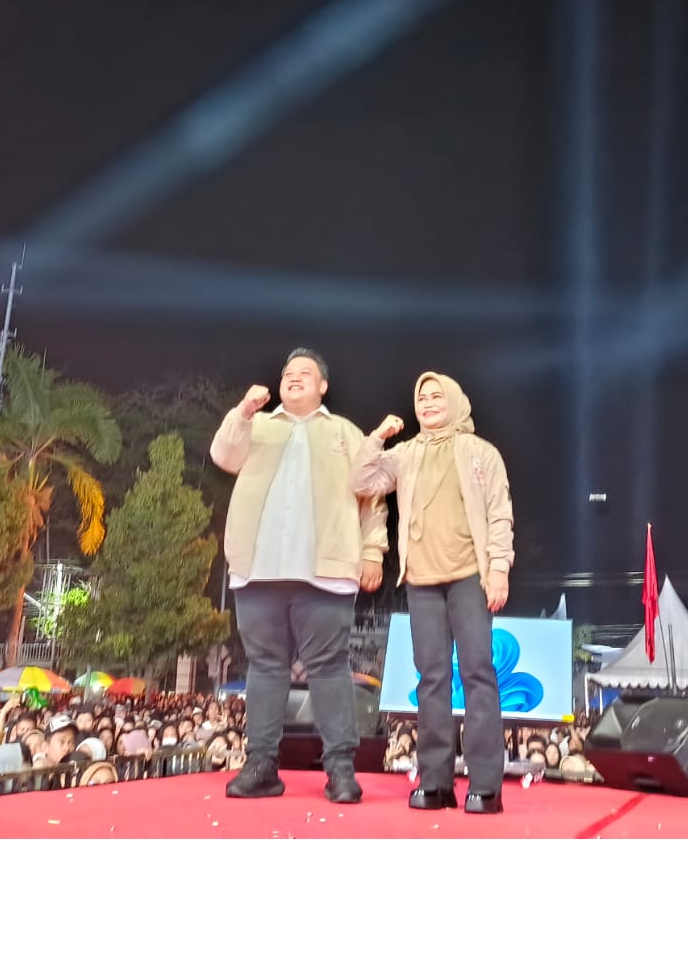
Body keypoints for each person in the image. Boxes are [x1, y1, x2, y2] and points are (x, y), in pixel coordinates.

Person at [210, 348, 389, 804]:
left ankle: (341, 770)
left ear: (322, 386)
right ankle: (261, 766)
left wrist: (373, 550)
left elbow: (372, 495)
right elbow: (223, 456)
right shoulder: (256, 424)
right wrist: (243, 411)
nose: (294, 377)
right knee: (264, 667)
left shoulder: (345, 432)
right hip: (258, 569)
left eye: (305, 373)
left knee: (329, 667)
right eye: (288, 373)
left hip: (325, 571)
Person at [353, 371, 514, 814]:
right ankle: (435, 782)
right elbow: (362, 482)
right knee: (431, 680)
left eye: (436, 395)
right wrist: (379, 436)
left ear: (455, 401)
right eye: (421, 397)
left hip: (470, 577)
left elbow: (499, 514)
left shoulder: (481, 452)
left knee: (478, 674)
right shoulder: (405, 454)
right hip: (421, 580)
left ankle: (485, 785)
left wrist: (498, 569)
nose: (426, 402)